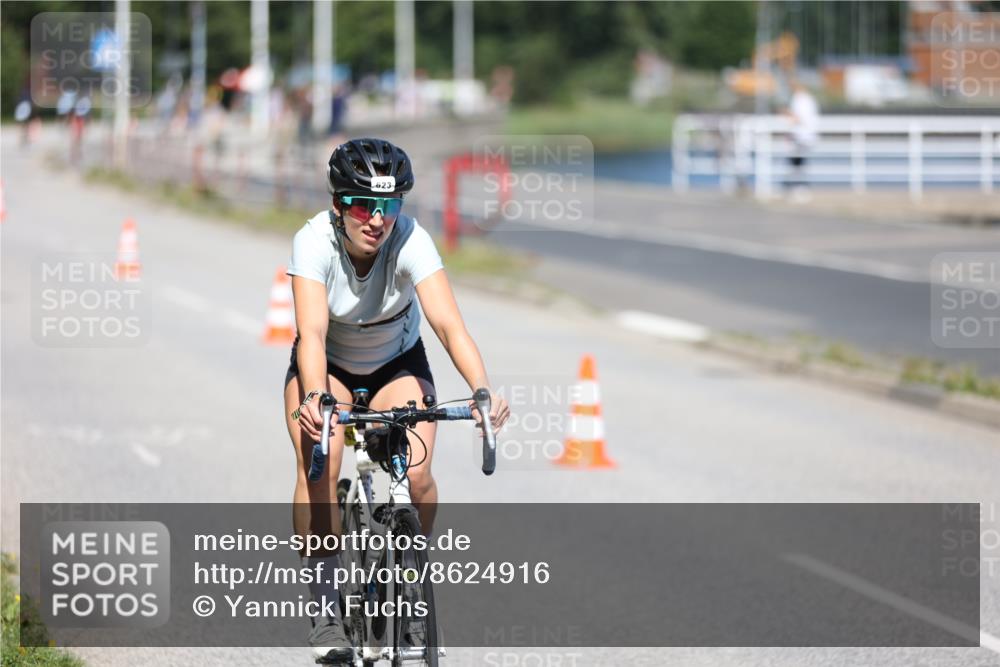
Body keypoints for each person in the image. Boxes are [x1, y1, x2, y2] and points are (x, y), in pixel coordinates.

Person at [282, 137, 510, 660]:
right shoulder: (313, 241)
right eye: (364, 204)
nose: (377, 219)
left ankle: (413, 594)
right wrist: (317, 400)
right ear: (338, 203)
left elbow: (449, 325)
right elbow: (312, 334)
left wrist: (481, 391)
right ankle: (323, 606)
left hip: (396, 364)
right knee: (322, 461)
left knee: (420, 474)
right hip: (329, 367)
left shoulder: (411, 239)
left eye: (389, 205)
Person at [785, 81, 819, 201]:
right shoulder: (808, 99)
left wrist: (787, 114)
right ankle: (799, 188)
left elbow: (798, 118)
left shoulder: (800, 99)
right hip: (805, 135)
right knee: (799, 163)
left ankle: (800, 189)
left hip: (801, 136)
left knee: (798, 163)